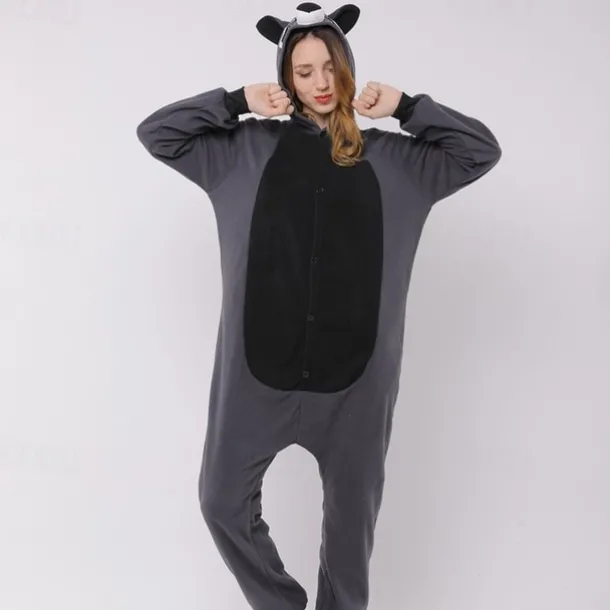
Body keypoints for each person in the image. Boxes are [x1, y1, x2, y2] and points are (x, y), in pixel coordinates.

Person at [136, 3, 502, 609]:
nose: (321, 83)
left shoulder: (398, 161)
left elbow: (478, 151)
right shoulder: (242, 151)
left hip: (356, 387)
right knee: (220, 501)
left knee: (349, 541)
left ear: (348, 68)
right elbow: (159, 134)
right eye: (304, 72)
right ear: (286, 78)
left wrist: (408, 108)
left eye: (331, 68)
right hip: (254, 377)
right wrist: (235, 101)